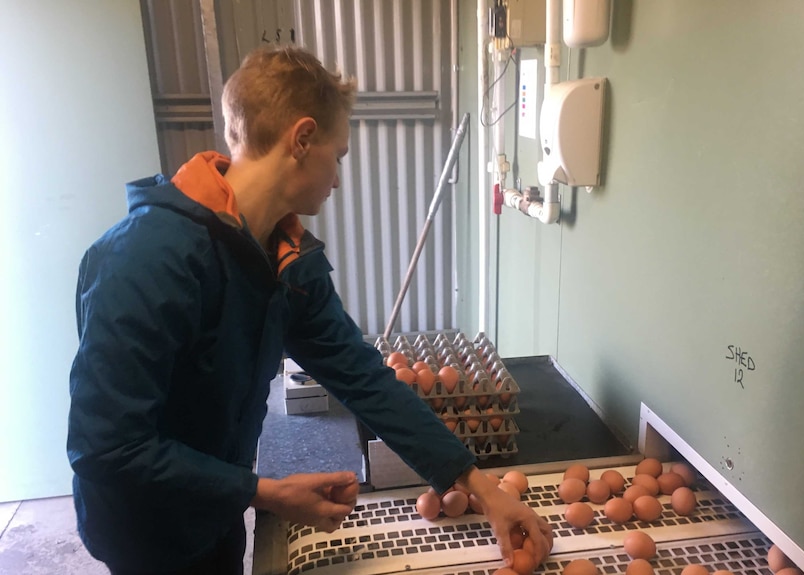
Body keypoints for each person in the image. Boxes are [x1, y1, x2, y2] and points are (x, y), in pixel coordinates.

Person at [67, 45, 552, 575]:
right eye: (337, 155)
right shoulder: (145, 259)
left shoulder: (287, 259)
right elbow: (106, 448)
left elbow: (363, 378)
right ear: (301, 139)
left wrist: (476, 484)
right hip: (144, 531)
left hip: (217, 509)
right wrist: (264, 491)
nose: (339, 179)